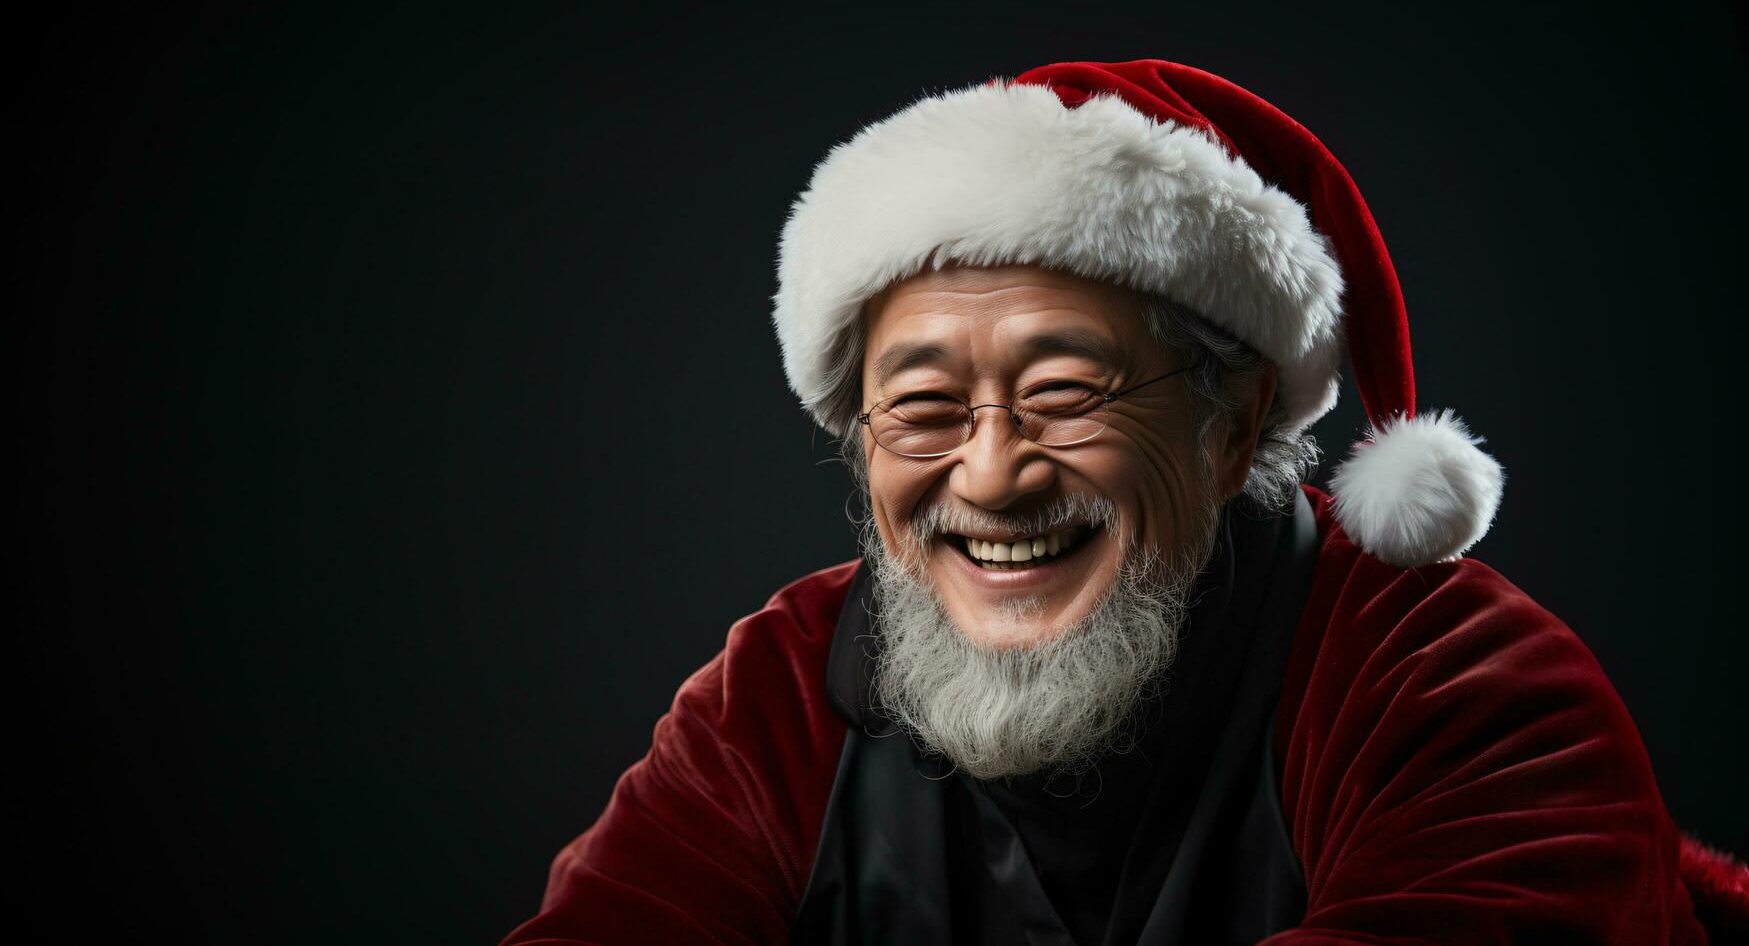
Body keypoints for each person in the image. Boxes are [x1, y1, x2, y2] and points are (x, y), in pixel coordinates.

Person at [502, 59, 1747, 944]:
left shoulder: (1463, 690)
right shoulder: (783, 689)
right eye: (925, 407)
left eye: (1065, 391)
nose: (990, 474)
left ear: (1235, 422)